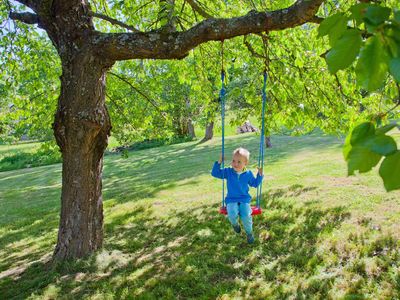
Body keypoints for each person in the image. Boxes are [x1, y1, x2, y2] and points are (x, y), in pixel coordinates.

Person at [211, 147, 263, 244]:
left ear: (245, 163)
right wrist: (219, 162)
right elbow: (215, 173)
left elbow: (255, 184)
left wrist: (259, 175)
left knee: (246, 215)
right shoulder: (228, 172)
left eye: (239, 162)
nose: (235, 164)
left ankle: (249, 233)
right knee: (232, 213)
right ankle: (235, 225)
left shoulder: (248, 174)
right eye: (233, 161)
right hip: (231, 199)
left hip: (244, 200)